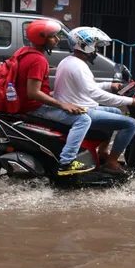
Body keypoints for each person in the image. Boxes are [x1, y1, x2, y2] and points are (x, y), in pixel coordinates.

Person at [53, 26, 135, 174]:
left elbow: (87, 86)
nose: (96, 50)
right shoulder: (78, 65)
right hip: (80, 110)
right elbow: (95, 93)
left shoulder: (70, 61)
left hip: (79, 104)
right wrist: (130, 101)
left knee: (115, 111)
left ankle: (102, 152)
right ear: (86, 45)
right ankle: (111, 162)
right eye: (95, 46)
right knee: (131, 124)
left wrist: (110, 85)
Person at [17, 19, 95, 176]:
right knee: (83, 119)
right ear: (41, 39)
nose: (57, 39)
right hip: (34, 107)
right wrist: (62, 104)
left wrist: (60, 97)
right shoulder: (38, 60)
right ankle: (66, 162)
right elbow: (33, 93)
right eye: (53, 36)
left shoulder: (25, 52)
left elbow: (32, 89)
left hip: (28, 103)